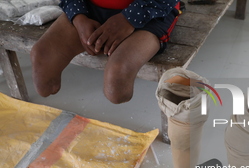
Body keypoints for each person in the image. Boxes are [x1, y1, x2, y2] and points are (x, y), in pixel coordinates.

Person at [30, 0, 180, 103]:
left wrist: (128, 19)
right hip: (89, 7)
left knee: (117, 80)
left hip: (151, 9)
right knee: (42, 59)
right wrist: (78, 17)